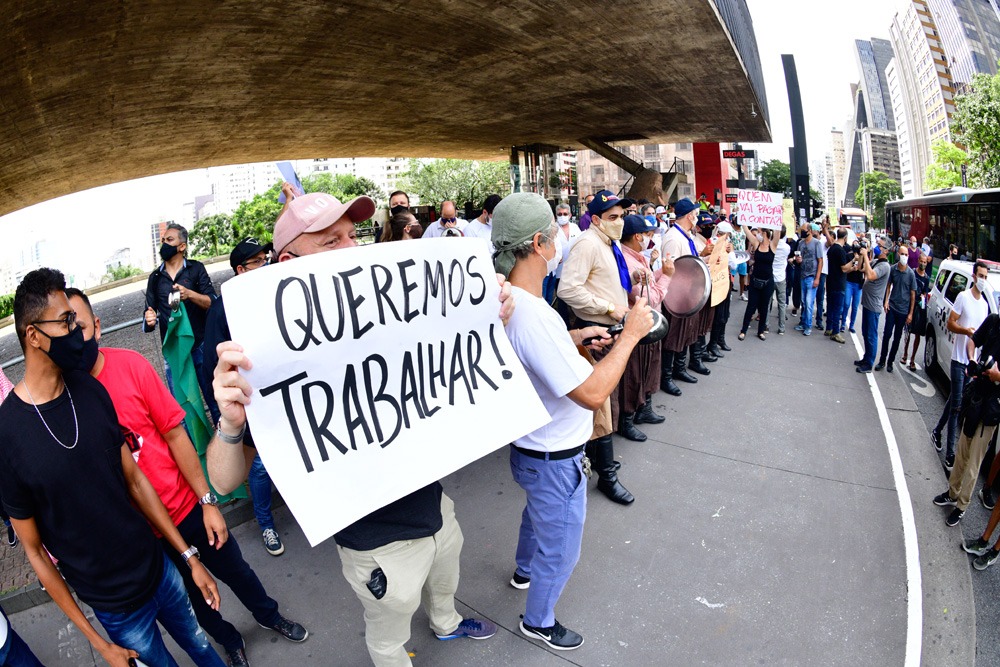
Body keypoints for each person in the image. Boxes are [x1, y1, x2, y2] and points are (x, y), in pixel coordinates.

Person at [206, 191, 512, 666]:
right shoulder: (259, 355)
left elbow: (445, 364)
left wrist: (484, 316)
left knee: (446, 576)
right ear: (287, 262)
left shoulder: (382, 315)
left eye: (353, 236)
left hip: (434, 504)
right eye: (331, 242)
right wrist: (230, 422)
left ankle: (446, 623)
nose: (351, 251)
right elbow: (225, 481)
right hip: (376, 546)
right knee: (390, 633)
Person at [68, 288, 308, 667]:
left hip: (187, 509)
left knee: (236, 571)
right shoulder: (68, 399)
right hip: (146, 537)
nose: (70, 337)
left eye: (76, 325)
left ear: (96, 327)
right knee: (196, 599)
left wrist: (207, 501)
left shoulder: (131, 365)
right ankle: (230, 640)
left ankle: (268, 615)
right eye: (62, 328)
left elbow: (174, 434)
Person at [0, 268, 224, 667]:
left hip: (159, 570)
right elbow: (34, 552)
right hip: (114, 607)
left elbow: (135, 480)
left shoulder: (88, 390)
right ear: (33, 335)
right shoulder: (7, 435)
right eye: (65, 321)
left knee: (203, 647)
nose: (76, 331)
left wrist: (189, 558)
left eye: (75, 319)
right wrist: (98, 643)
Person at [492, 192, 653, 651]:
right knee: (561, 546)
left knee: (535, 516)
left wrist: (576, 336)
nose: (565, 236)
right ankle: (538, 620)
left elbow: (540, 353)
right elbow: (592, 394)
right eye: (558, 231)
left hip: (528, 450)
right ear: (540, 242)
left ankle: (524, 573)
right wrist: (631, 335)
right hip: (553, 455)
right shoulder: (533, 315)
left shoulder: (511, 302)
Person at [202, 238, 286, 556]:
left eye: (267, 257)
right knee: (261, 466)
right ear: (241, 269)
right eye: (258, 261)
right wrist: (226, 417)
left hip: (285, 400)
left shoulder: (274, 294)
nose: (266, 264)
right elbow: (215, 371)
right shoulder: (222, 311)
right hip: (253, 407)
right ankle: (266, 524)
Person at [556, 190, 637, 502]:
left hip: (612, 329)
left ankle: (596, 459)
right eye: (613, 217)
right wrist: (607, 307)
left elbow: (606, 279)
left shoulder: (610, 243)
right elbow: (568, 289)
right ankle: (607, 476)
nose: (619, 222)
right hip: (592, 332)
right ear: (597, 219)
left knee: (607, 399)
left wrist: (634, 277)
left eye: (621, 216)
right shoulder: (588, 243)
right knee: (599, 405)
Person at [143, 222, 219, 419]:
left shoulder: (196, 269)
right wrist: (149, 320)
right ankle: (194, 448)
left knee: (216, 400)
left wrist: (190, 294)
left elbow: (213, 303)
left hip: (201, 346)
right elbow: (148, 313)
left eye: (170, 240)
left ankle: (228, 444)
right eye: (163, 241)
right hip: (174, 352)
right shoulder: (155, 278)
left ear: (182, 246)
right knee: (182, 408)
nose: (164, 245)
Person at [933, 308, 1000, 527]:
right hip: (976, 397)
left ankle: (961, 506)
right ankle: (952, 494)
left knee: (973, 463)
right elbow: (973, 340)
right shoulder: (992, 321)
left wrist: (998, 375)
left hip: (992, 408)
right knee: (962, 451)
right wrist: (972, 359)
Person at [932, 262, 991, 470]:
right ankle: (950, 454)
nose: (983, 280)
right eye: (980, 275)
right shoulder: (963, 297)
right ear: (974, 276)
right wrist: (966, 331)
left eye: (985, 276)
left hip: (971, 363)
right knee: (957, 407)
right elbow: (951, 323)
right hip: (958, 360)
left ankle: (937, 431)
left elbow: (982, 336)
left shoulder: (984, 305)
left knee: (954, 401)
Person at [619, 214, 672, 431]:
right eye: (647, 235)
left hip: (650, 324)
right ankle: (628, 420)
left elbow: (649, 282)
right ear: (636, 236)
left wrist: (662, 270)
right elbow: (649, 298)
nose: (649, 239)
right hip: (639, 326)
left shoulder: (638, 256)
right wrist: (667, 276)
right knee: (635, 372)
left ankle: (644, 408)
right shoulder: (627, 260)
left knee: (649, 368)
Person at [874, 244, 917, 373]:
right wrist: (886, 301)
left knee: (897, 338)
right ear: (898, 254)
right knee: (886, 334)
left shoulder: (910, 274)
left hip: (903, 311)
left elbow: (913, 294)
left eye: (906, 254)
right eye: (902, 254)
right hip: (892, 307)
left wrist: (910, 314)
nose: (904, 256)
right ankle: (882, 360)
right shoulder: (893, 269)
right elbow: (888, 285)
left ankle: (890, 362)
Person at [737, 225, 780, 341]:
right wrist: (743, 217)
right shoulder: (756, 244)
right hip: (755, 281)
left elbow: (778, 231)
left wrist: (780, 216)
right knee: (751, 306)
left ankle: (760, 331)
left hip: (768, 282)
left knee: (764, 307)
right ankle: (743, 330)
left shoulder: (773, 245)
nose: (757, 234)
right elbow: (746, 231)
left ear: (765, 233)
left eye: (759, 232)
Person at [855, 243, 891, 373]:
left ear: (886, 251)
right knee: (865, 332)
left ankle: (869, 363)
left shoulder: (885, 266)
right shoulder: (876, 261)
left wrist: (865, 255)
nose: (877, 247)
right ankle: (866, 358)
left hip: (873, 305)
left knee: (871, 334)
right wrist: (861, 255)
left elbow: (870, 275)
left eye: (881, 246)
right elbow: (860, 268)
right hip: (867, 302)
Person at [548, 203, 583, 319]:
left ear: (570, 215)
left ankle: (578, 319)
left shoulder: (575, 228)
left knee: (576, 297)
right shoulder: (553, 229)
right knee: (561, 298)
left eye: (565, 214)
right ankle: (565, 324)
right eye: (559, 214)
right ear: (556, 215)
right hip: (559, 270)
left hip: (575, 269)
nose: (562, 216)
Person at [901, 253, 932, 370]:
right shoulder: (912, 272)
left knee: (917, 334)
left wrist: (923, 298)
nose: (923, 264)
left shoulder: (927, 278)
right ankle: (905, 354)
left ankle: (912, 359)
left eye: (925, 262)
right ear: (918, 260)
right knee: (908, 331)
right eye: (922, 261)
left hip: (920, 307)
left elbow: (925, 292)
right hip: (910, 305)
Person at [794, 223, 823, 336]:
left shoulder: (816, 243)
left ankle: (808, 326)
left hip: (812, 276)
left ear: (810, 231)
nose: (802, 232)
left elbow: (820, 261)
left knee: (808, 302)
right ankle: (804, 322)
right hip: (803, 275)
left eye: (804, 230)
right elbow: (798, 257)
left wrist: (817, 278)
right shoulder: (801, 243)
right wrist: (798, 260)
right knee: (804, 302)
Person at [825, 228, 851, 344]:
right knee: (837, 308)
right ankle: (836, 332)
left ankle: (829, 328)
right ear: (845, 238)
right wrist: (854, 260)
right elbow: (844, 268)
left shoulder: (832, 248)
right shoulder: (840, 250)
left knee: (830, 306)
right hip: (839, 283)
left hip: (830, 280)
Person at [842, 236, 865, 334]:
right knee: (846, 303)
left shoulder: (863, 257)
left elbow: (863, 269)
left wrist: (861, 257)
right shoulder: (849, 256)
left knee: (855, 306)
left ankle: (851, 325)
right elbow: (845, 270)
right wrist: (852, 267)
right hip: (849, 282)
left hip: (858, 284)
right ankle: (843, 323)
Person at [770, 226, 791, 335]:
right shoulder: (787, 248)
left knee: (768, 302)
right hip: (781, 278)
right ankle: (781, 328)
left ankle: (766, 325)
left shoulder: (771, 245)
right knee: (782, 304)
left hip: (771, 276)